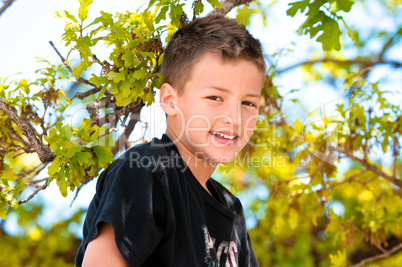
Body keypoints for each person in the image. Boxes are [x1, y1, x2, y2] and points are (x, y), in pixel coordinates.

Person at [75, 14, 266, 267]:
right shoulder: (146, 171)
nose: (234, 117)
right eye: (215, 98)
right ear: (169, 100)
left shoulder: (232, 210)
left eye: (248, 103)